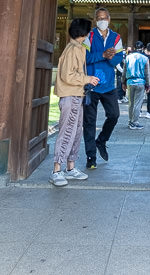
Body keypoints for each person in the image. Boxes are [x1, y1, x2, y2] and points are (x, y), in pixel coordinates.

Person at [50, 18, 100, 187]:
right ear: (83, 33)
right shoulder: (72, 49)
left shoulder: (79, 48)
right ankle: (57, 170)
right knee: (67, 132)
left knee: (76, 131)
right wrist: (88, 78)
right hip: (70, 95)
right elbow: (67, 75)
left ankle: (70, 167)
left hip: (77, 95)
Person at [82, 7, 125, 169]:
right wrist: (102, 55)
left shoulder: (116, 37)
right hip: (91, 85)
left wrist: (111, 57)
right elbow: (85, 57)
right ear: (95, 20)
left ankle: (102, 140)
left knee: (114, 115)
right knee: (89, 122)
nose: (102, 20)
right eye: (99, 18)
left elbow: (119, 58)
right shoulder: (90, 36)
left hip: (108, 85)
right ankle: (91, 157)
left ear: (109, 19)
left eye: (105, 17)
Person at [125, 41, 149, 130]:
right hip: (140, 82)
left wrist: (123, 82)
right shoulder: (145, 58)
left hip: (130, 81)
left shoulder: (128, 57)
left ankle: (130, 120)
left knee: (131, 103)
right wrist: (148, 84)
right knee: (138, 103)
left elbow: (125, 71)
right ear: (142, 48)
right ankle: (134, 122)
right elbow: (147, 73)